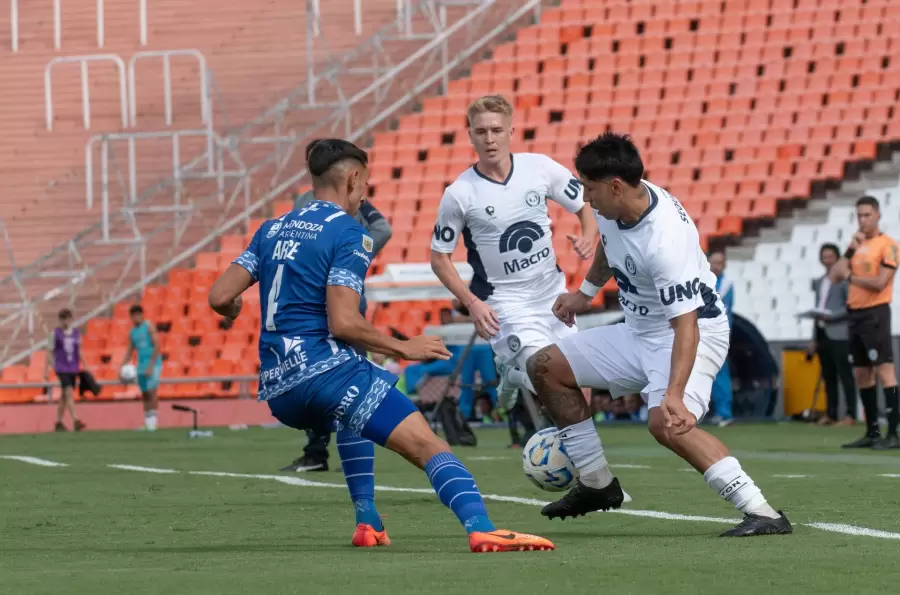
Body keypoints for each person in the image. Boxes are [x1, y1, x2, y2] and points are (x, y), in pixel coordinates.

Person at [208, 138, 553, 552]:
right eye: (366, 184)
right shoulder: (349, 233)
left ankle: (368, 522)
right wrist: (403, 348)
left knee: (352, 416)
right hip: (324, 371)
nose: (365, 194)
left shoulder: (271, 229)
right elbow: (344, 321)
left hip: (280, 390)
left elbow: (217, 296)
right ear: (353, 180)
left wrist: (231, 309)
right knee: (428, 445)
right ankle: (481, 527)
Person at [524, 132, 792, 537]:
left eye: (591, 189)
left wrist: (673, 394)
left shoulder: (664, 240)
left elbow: (685, 323)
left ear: (615, 186)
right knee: (544, 365)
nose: (586, 199)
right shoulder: (618, 206)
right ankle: (598, 484)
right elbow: (609, 246)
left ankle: (763, 512)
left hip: (692, 332)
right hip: (640, 331)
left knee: (666, 423)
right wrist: (586, 293)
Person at [430, 94, 598, 428]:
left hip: (552, 292)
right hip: (506, 302)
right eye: (481, 131)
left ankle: (575, 458)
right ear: (470, 136)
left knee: (581, 379)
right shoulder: (460, 194)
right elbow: (439, 259)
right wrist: (472, 303)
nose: (489, 138)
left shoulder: (539, 168)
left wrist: (588, 235)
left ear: (511, 132)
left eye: (496, 130)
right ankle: (518, 374)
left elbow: (585, 204)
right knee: (548, 371)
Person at [281, 145, 394, 473]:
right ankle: (354, 446)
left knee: (319, 376)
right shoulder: (352, 199)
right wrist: (357, 256)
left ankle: (318, 452)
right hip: (346, 296)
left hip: (311, 302)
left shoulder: (303, 204)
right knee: (350, 372)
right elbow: (381, 230)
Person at [832, 196, 899, 449]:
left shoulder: (888, 245)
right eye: (859, 215)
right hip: (855, 313)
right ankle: (872, 432)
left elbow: (880, 283)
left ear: (878, 215)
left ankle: (893, 433)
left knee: (884, 369)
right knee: (862, 374)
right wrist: (849, 249)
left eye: (867, 215)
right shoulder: (856, 247)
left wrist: (851, 276)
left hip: (876, 312)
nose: (863, 220)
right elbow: (834, 275)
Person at [807, 243, 857, 426]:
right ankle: (832, 413)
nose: (827, 260)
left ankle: (851, 414)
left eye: (830, 257)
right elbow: (818, 308)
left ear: (837, 258)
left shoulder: (844, 281)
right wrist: (814, 337)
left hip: (840, 332)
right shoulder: (819, 282)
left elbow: (850, 306)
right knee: (828, 375)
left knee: (845, 375)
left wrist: (831, 316)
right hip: (822, 332)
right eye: (824, 257)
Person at [45, 308, 87, 432]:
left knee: (64, 396)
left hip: (73, 367)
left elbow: (78, 351)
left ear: (71, 319)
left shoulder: (75, 333)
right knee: (69, 392)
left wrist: (85, 364)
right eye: (62, 318)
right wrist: (48, 369)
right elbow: (49, 352)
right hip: (61, 368)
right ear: (59, 320)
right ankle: (76, 420)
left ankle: (58, 422)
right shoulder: (55, 334)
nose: (65, 321)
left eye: (67, 318)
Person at [121, 305, 162, 432]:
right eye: (133, 315)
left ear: (142, 315)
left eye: (138, 315)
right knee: (144, 393)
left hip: (153, 363)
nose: (136, 318)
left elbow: (157, 346)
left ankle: (153, 423)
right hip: (141, 365)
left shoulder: (148, 327)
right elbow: (129, 350)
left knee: (152, 391)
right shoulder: (133, 332)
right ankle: (148, 423)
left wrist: (151, 365)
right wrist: (122, 367)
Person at [707, 251, 734, 426]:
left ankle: (725, 412)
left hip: (717, 334)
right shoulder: (703, 280)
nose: (716, 265)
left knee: (719, 372)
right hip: (702, 332)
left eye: (719, 263)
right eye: (713, 262)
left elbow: (721, 309)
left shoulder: (725, 284)